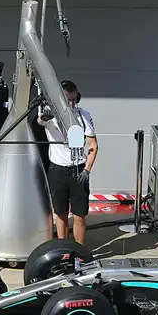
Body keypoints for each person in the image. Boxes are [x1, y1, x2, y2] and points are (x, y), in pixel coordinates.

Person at [36, 80, 98, 245]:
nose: (71, 103)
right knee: (61, 213)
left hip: (78, 171)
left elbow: (93, 145)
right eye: (67, 100)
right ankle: (62, 248)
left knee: (79, 215)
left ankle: (79, 250)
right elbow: (40, 120)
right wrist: (44, 116)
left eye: (73, 99)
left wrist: (87, 170)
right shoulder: (51, 116)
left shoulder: (83, 116)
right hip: (58, 171)